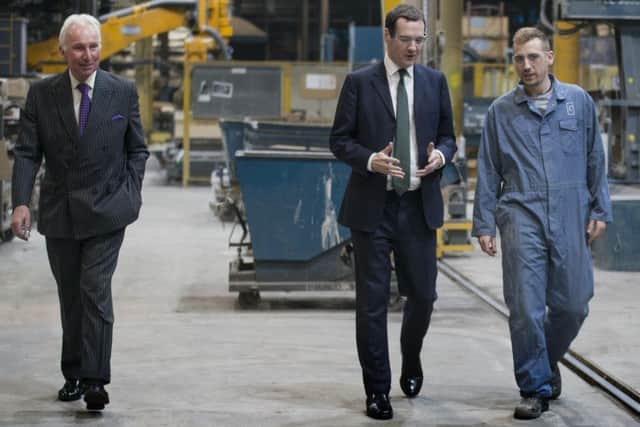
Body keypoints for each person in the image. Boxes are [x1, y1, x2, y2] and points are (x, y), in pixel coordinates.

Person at [472, 27, 612, 420]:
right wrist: (483, 222)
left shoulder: (579, 103)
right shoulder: (501, 111)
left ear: (550, 57)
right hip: (521, 209)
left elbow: (593, 160)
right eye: (519, 58)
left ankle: (546, 362)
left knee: (573, 304)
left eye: (533, 57)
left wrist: (600, 208)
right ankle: (534, 386)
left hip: (570, 208)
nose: (526, 65)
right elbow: (487, 169)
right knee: (526, 307)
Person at [11, 14, 149, 411]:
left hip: (108, 211)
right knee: (70, 295)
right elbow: (26, 152)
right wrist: (21, 201)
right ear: (63, 52)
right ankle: (72, 373)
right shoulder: (42, 94)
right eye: (78, 48)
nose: (87, 55)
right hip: (61, 211)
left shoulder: (121, 91)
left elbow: (137, 148)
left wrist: (131, 193)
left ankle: (94, 380)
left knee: (94, 291)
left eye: (93, 46)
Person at [330, 4, 456, 420]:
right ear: (388, 37)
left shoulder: (435, 83)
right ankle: (377, 390)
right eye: (406, 39)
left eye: (420, 39)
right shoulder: (360, 82)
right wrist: (371, 160)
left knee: (422, 295)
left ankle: (412, 358)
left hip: (418, 205)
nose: (414, 47)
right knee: (371, 302)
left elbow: (449, 137)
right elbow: (340, 140)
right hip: (373, 207)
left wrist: (440, 156)